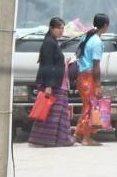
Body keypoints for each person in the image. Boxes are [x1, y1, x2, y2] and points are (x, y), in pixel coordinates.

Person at [29, 17, 73, 147]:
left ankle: (61, 139)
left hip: (58, 84)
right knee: (51, 114)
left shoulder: (53, 42)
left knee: (59, 113)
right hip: (53, 85)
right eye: (59, 28)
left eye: (62, 28)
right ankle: (45, 140)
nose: (61, 31)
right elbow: (47, 65)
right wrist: (48, 85)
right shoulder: (49, 43)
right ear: (51, 28)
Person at [74, 13, 108, 146]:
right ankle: (86, 138)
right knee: (90, 106)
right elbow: (96, 65)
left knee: (87, 106)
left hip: (81, 76)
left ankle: (77, 133)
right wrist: (98, 85)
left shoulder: (86, 37)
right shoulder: (97, 42)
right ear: (105, 26)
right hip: (89, 77)